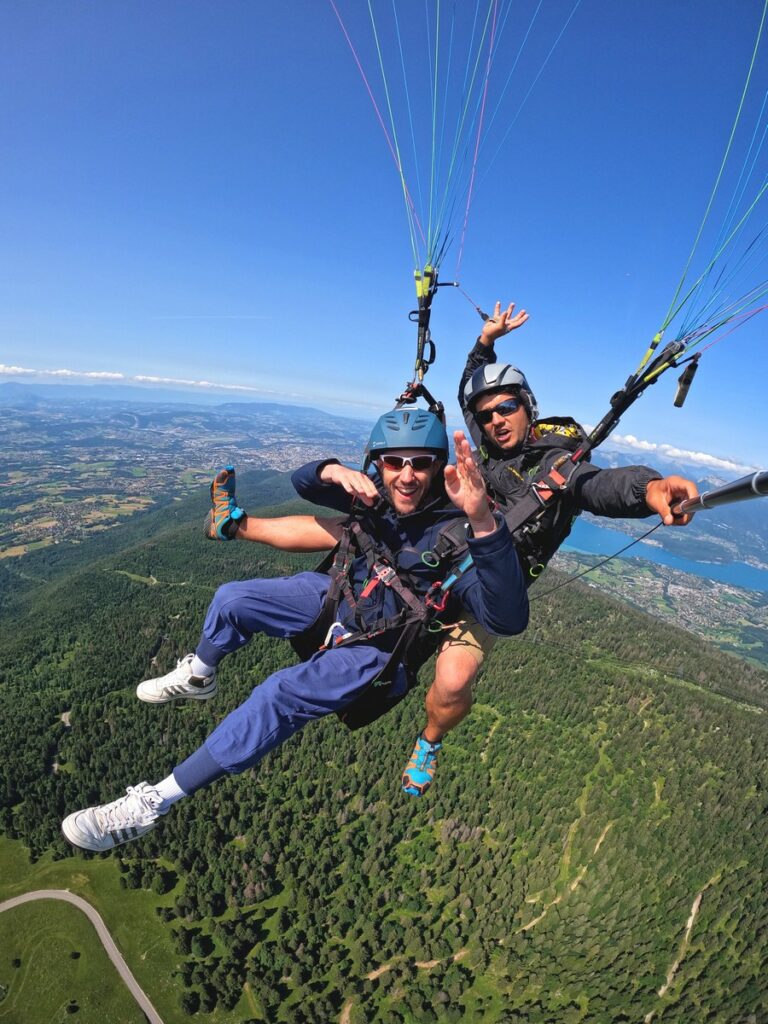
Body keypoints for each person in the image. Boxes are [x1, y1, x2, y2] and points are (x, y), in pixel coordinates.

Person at [62, 409, 529, 852]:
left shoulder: (454, 531)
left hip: (379, 646)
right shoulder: (377, 497)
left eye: (420, 464)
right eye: (394, 462)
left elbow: (507, 619)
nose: (406, 475)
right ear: (378, 463)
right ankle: (200, 677)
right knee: (233, 599)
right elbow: (302, 483)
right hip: (339, 597)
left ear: (438, 468)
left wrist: (483, 522)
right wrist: (329, 470)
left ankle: (151, 804)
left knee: (278, 694)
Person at [404, 301, 699, 795]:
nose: (495, 420)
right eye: (487, 414)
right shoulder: (489, 441)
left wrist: (649, 490)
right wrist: (486, 339)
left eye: (506, 408)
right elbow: (467, 387)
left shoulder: (556, 462)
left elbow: (597, 485)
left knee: (452, 682)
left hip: (493, 583)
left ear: (527, 407)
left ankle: (430, 740)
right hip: (446, 554)